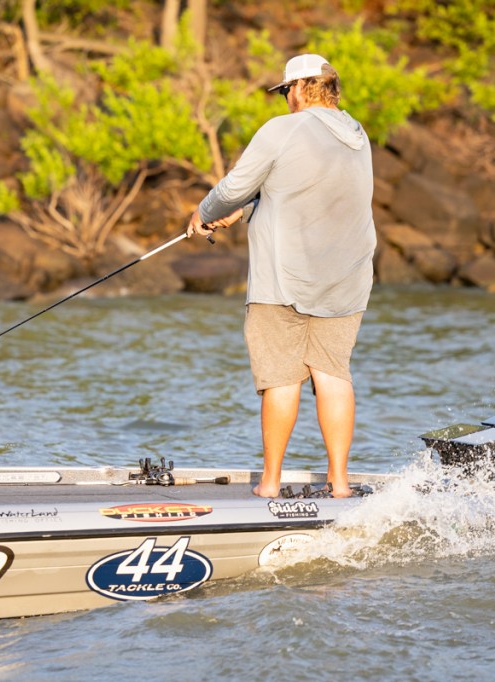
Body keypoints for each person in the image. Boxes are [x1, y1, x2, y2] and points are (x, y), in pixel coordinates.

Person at [187, 54, 376, 499]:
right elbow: (306, 190)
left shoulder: (282, 129)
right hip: (346, 281)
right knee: (333, 374)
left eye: (286, 90)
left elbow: (234, 186)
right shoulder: (357, 135)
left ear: (301, 88)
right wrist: (247, 211)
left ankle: (270, 484)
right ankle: (340, 485)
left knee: (282, 378)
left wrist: (203, 212)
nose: (286, 99)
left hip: (283, 281)